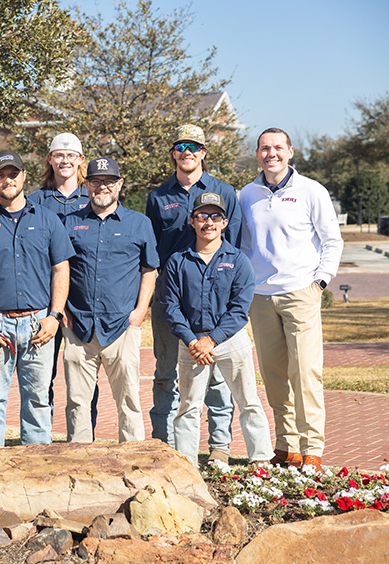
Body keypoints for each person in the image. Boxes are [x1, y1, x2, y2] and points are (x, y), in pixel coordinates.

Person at [240, 127, 343, 470]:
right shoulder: (247, 195)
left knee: (305, 373)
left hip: (300, 293)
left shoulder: (311, 191)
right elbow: (243, 246)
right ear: (257, 154)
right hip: (261, 296)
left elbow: (332, 240)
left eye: (278, 148)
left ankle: (312, 446)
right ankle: (287, 446)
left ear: (290, 151)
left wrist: (320, 282)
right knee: (273, 374)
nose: (272, 153)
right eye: (265, 148)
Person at [0, 149, 74, 447]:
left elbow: (61, 270)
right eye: (1, 175)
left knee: (37, 401)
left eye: (13, 174)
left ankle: (35, 469)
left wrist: (55, 316)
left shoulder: (47, 220)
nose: (8, 180)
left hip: (38, 325)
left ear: (23, 176)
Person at [145, 124, 238, 463]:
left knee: (215, 378)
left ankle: (219, 449)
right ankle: (165, 445)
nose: (187, 151)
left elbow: (235, 246)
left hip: (215, 301)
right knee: (166, 373)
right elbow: (151, 251)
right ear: (173, 152)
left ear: (204, 153)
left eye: (194, 146)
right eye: (181, 145)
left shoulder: (224, 192)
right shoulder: (158, 197)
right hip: (170, 301)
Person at [161, 192, 273, 467]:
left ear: (224, 222)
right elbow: (170, 307)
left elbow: (239, 309)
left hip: (230, 340)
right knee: (188, 407)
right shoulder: (178, 261)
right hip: (191, 343)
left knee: (248, 400)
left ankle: (261, 460)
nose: (208, 222)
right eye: (202, 216)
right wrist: (192, 340)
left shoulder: (238, 261)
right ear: (192, 221)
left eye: (214, 217)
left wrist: (211, 340)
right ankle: (186, 464)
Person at [62, 158, 158, 443]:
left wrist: (140, 311)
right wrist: (62, 310)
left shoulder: (139, 223)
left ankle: (132, 460)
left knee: (128, 401)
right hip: (79, 326)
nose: (102, 186)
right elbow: (58, 269)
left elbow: (149, 270)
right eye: (95, 181)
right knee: (77, 403)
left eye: (108, 181)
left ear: (120, 184)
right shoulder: (69, 223)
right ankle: (78, 461)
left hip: (121, 325)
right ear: (86, 185)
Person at [27, 133, 96, 431]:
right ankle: (43, 437)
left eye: (71, 155)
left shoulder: (93, 197)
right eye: (59, 155)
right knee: (43, 376)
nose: (65, 161)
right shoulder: (35, 201)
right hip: (46, 301)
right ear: (49, 160)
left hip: (82, 301)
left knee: (84, 377)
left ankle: (84, 437)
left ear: (81, 160)